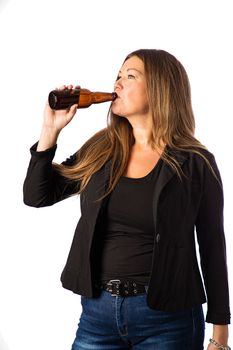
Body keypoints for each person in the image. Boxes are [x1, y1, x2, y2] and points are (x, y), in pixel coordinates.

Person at [23, 49, 231, 350]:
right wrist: (50, 130)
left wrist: (220, 335)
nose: (117, 83)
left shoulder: (196, 163)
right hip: (97, 315)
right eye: (118, 75)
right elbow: (37, 195)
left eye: (130, 76)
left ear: (160, 88)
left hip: (168, 320)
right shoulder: (102, 149)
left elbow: (213, 246)